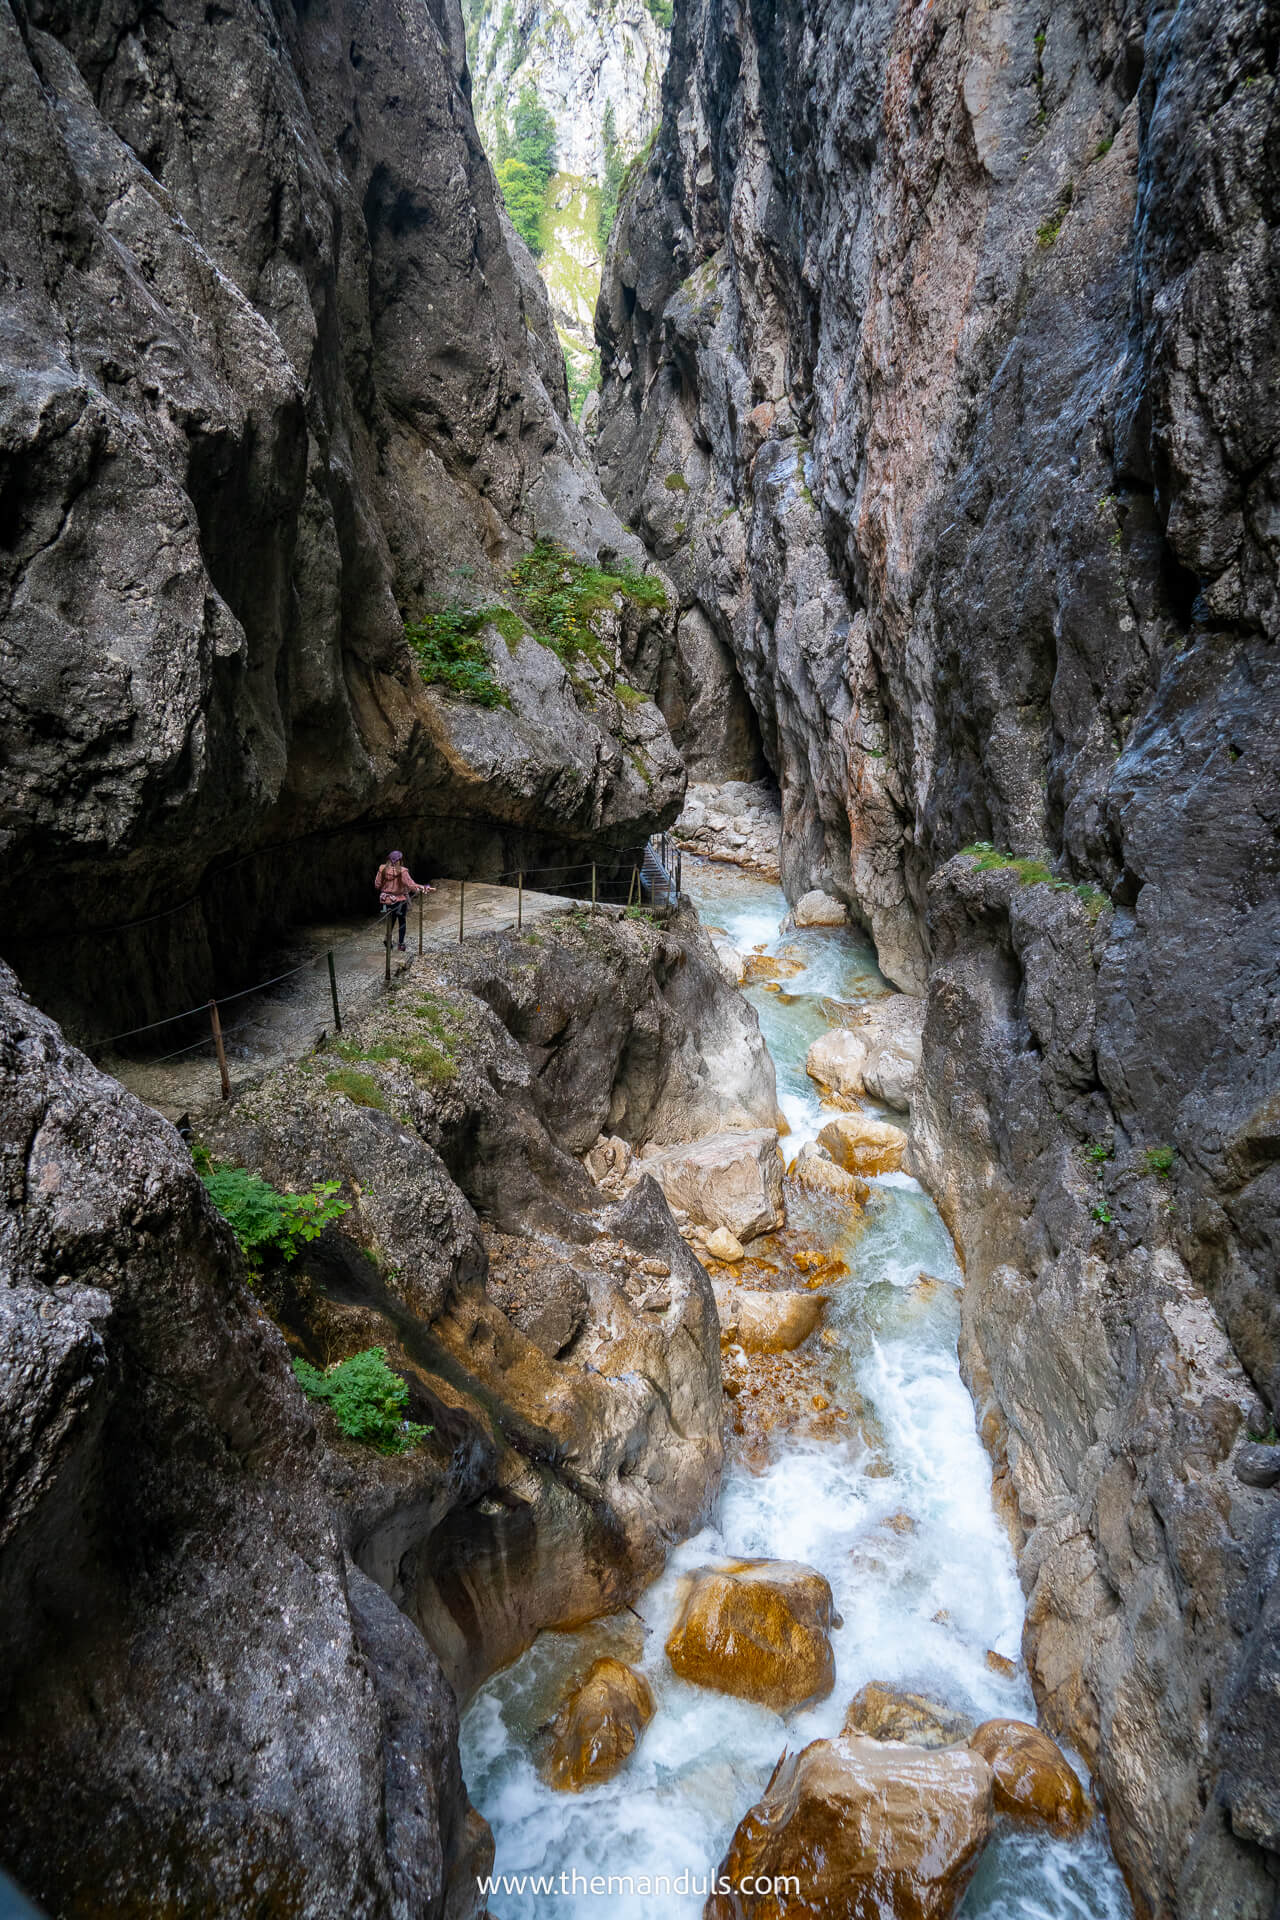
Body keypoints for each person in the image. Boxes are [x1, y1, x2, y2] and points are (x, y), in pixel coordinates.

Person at [374, 850, 433, 951]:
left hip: (386, 900)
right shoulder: (402, 871)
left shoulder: (382, 869)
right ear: (400, 860)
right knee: (402, 921)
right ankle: (400, 944)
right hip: (399, 900)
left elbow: (377, 885)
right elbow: (411, 885)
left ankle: (387, 940)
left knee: (390, 920)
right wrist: (424, 887)